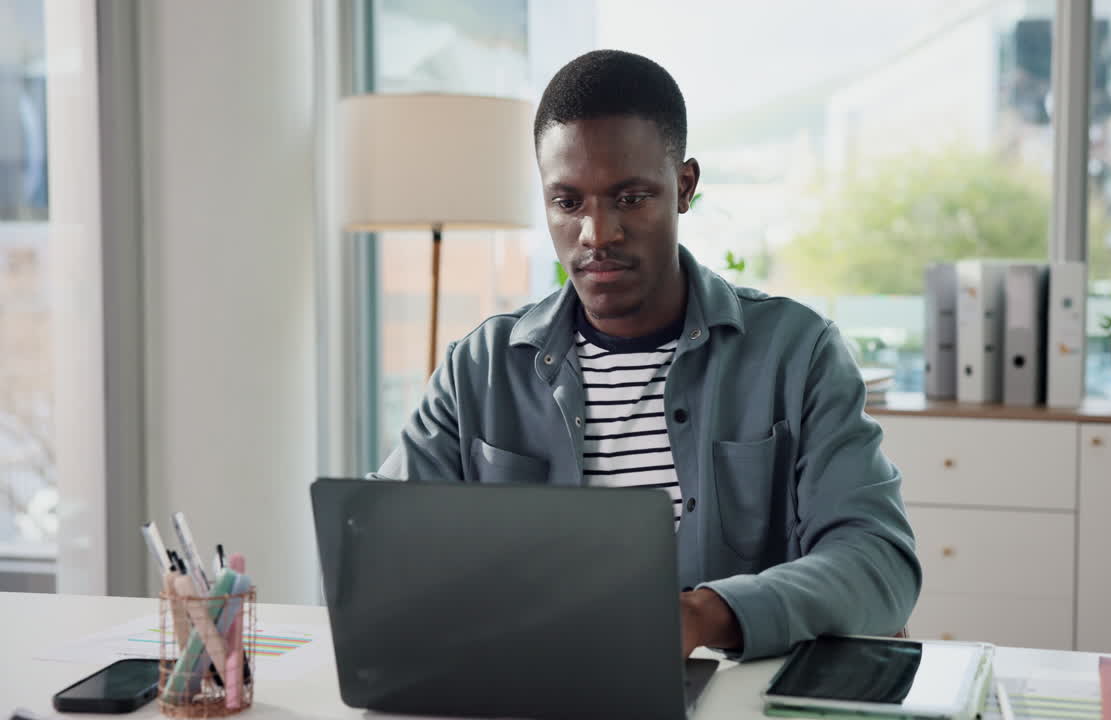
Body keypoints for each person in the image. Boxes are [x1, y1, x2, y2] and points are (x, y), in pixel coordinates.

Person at [375, 49, 921, 661]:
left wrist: (707, 613)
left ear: (684, 187)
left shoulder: (798, 354)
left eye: (630, 198)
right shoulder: (479, 368)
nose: (596, 233)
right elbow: (378, 549)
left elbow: (879, 561)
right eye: (568, 202)